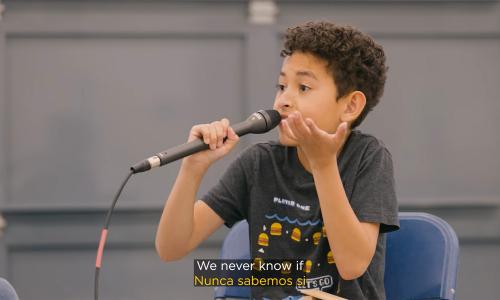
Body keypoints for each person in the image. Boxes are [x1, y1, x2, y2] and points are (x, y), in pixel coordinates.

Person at [155, 21, 399, 300]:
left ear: (350, 106)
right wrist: (192, 169)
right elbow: (171, 248)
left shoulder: (369, 158)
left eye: (303, 87)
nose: (283, 100)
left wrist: (323, 164)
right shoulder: (259, 163)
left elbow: (352, 265)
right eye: (282, 85)